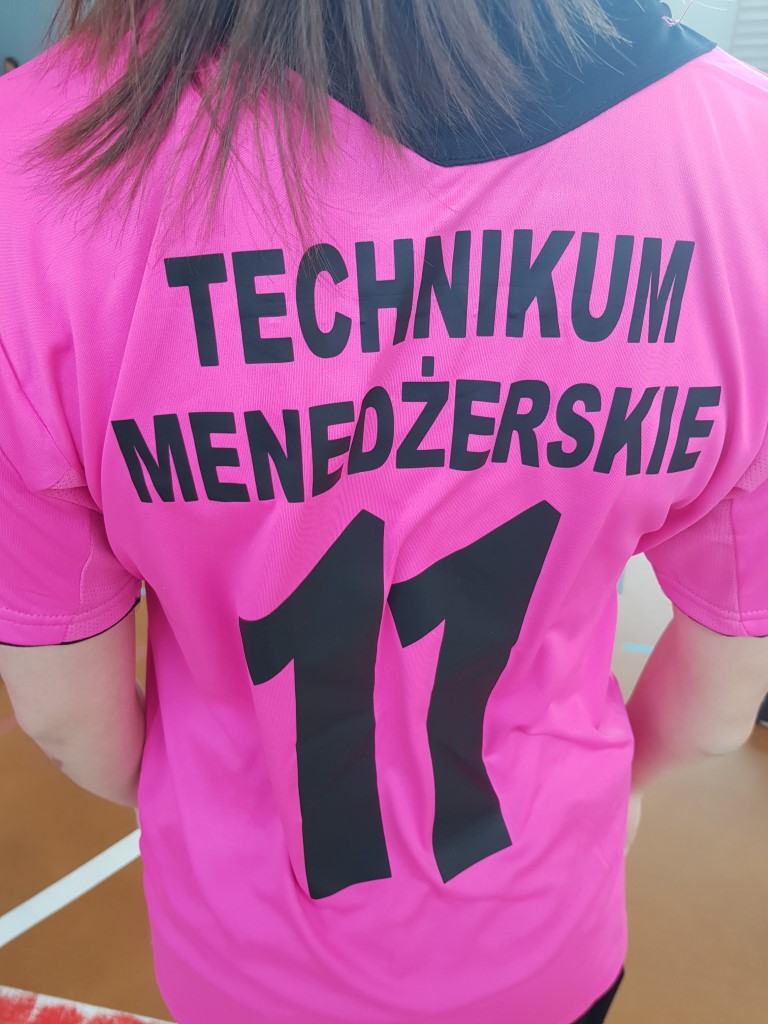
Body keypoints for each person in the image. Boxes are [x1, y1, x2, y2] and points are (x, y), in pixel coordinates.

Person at [0, 2, 766, 1022]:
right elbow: (721, 706)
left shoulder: (41, 158)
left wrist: (204, 804)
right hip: (541, 934)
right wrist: (614, 790)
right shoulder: (740, 154)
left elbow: (64, 718)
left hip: (243, 961)